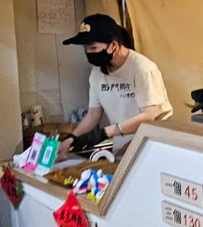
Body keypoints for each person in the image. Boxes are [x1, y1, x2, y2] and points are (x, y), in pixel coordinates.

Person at [60, 14, 173, 155]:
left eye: (93, 48)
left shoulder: (142, 69)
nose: (89, 53)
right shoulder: (97, 73)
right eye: (86, 48)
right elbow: (94, 114)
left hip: (153, 144)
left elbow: (149, 116)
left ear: (113, 45)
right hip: (123, 145)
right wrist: (72, 138)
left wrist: (105, 132)